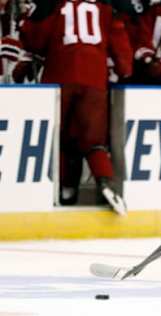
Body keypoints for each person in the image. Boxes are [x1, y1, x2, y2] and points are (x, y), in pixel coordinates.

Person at [17, 0, 132, 215]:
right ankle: (105, 181)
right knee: (93, 140)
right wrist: (123, 69)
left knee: (59, 138)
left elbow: (35, 41)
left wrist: (27, 22)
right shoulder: (105, 9)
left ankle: (65, 189)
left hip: (60, 78)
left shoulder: (56, 5)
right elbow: (123, 57)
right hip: (95, 80)